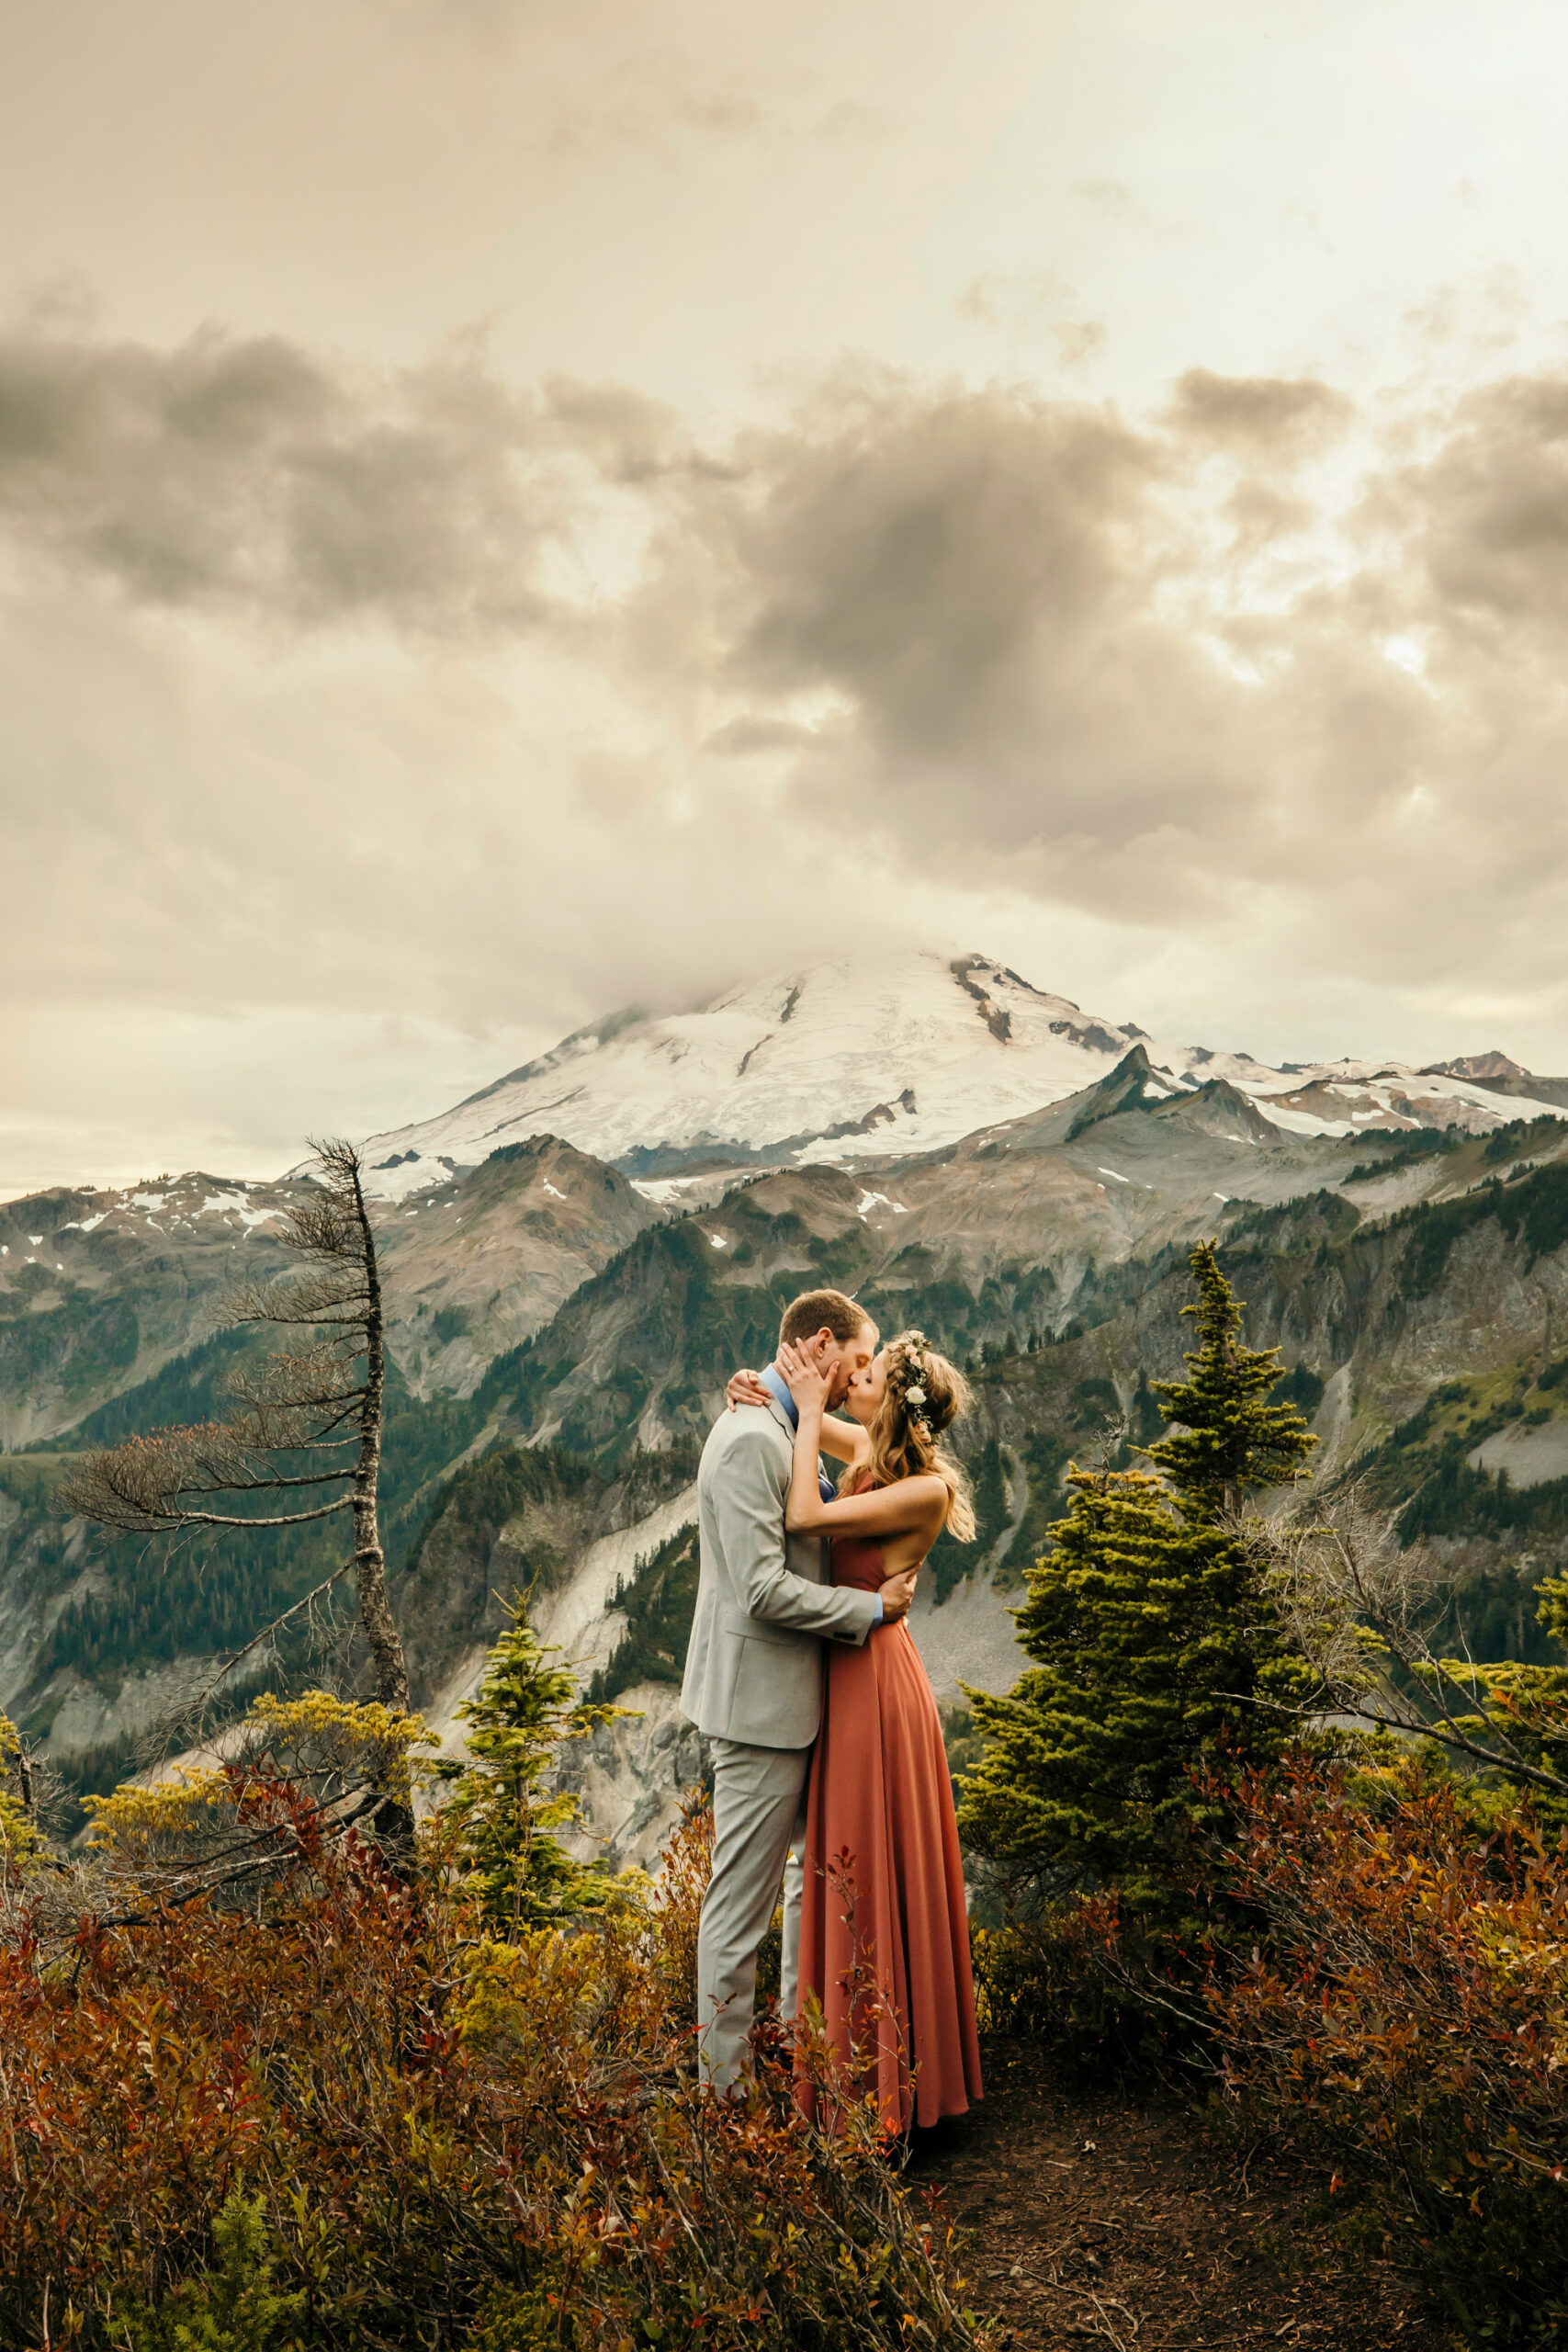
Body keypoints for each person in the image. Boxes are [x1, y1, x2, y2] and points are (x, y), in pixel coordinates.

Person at [729, 1327, 984, 2135]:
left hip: (875, 1683)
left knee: (864, 1873)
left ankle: (880, 2096)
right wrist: (755, 1385)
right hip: (846, 1669)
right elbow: (798, 1416)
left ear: (894, 1401)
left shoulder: (925, 1490)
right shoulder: (875, 1454)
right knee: (845, 1867)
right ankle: (857, 2076)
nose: (849, 1380)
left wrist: (801, 1407)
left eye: (864, 1374)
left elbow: (806, 1515)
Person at [680, 1289, 919, 2094]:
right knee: (740, 1907)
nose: (860, 1378)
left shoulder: (783, 1421)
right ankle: (725, 2093)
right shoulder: (755, 1436)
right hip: (758, 1709)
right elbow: (759, 1591)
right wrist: (868, 1609)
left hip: (808, 1700)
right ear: (821, 1345)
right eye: (855, 1361)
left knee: (806, 1888)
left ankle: (798, 2063)